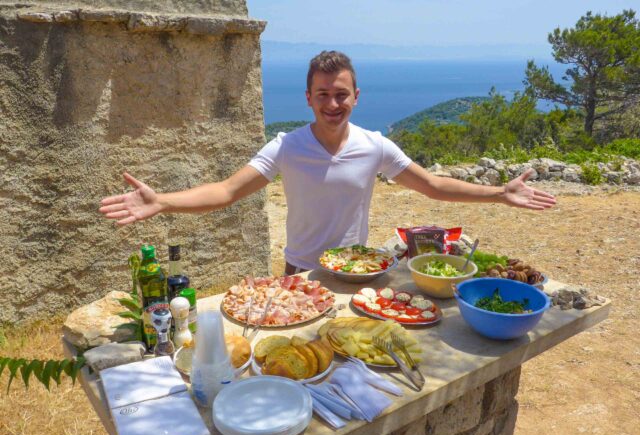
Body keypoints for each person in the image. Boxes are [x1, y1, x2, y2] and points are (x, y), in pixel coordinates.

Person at [100, 51, 556, 274]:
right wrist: (163, 202)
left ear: (356, 97)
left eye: (341, 94)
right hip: (300, 270)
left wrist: (500, 193)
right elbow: (226, 191)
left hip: (358, 270)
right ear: (308, 99)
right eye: (323, 95)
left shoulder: (375, 146)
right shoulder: (286, 147)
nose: (332, 103)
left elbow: (433, 186)